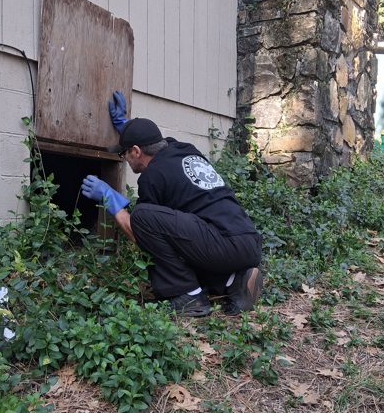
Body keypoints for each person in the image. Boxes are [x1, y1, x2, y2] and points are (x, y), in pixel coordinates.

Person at [81, 92, 263, 317]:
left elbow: (141, 235)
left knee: (142, 216)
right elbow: (152, 142)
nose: (125, 159)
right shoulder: (183, 148)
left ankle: (188, 296)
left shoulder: (152, 178)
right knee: (183, 237)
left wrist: (112, 201)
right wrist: (128, 128)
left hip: (224, 243)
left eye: (124, 153)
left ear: (136, 151)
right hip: (248, 242)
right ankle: (234, 282)